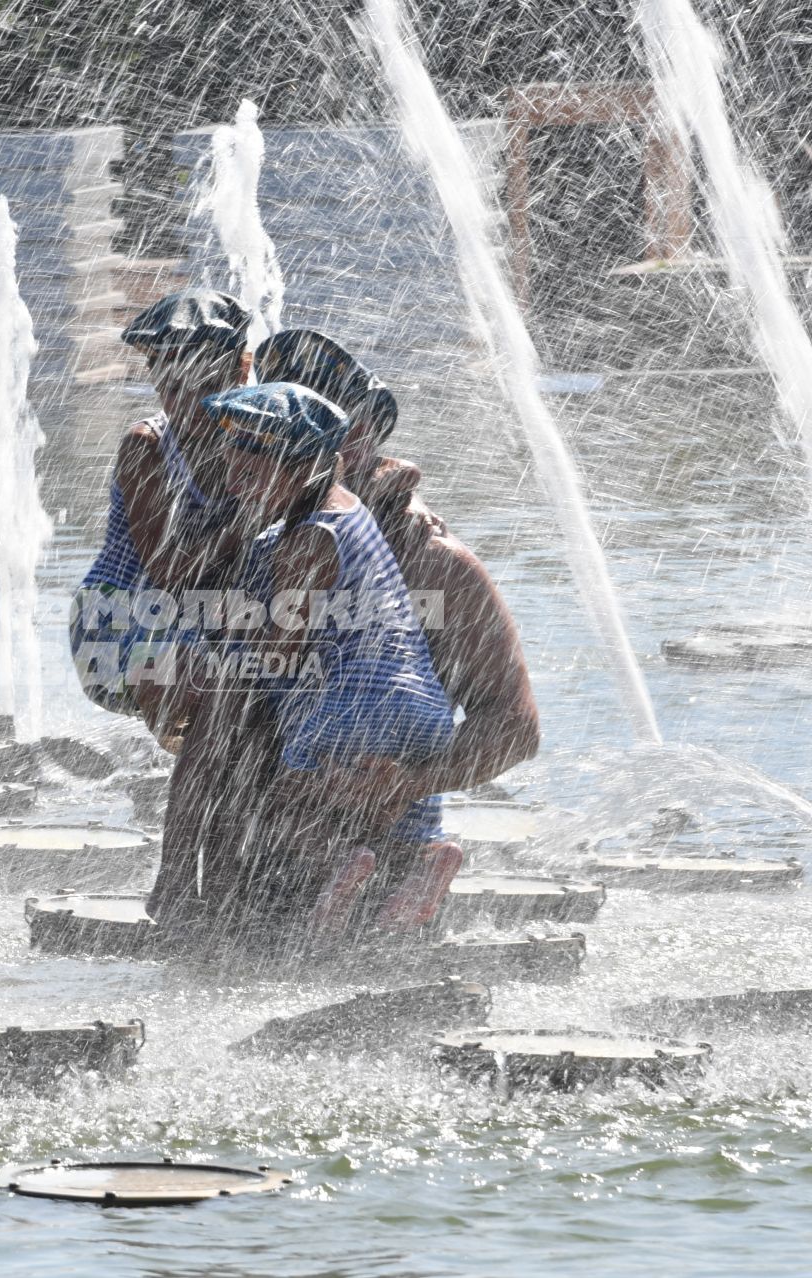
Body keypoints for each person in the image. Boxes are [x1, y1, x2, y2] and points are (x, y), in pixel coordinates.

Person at [152, 383, 459, 955]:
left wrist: (214, 659)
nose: (234, 480)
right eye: (231, 464)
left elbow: (282, 650)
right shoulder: (349, 509)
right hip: (415, 698)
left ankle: (339, 870)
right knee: (386, 809)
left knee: (289, 799)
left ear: (303, 468)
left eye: (250, 470)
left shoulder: (311, 537)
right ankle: (420, 863)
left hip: (351, 703)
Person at [255, 329, 541, 807]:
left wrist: (405, 784)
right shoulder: (251, 541)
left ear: (368, 436)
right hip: (259, 808)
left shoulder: (433, 564)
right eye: (270, 438)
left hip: (382, 816)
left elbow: (515, 727)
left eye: (341, 430)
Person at [70, 289, 255, 747]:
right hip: (118, 620)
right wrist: (247, 520)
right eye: (172, 388)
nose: (189, 404)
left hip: (208, 612)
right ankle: (186, 767)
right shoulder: (147, 447)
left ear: (242, 370)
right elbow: (169, 571)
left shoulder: (262, 438)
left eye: (204, 386)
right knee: (206, 671)